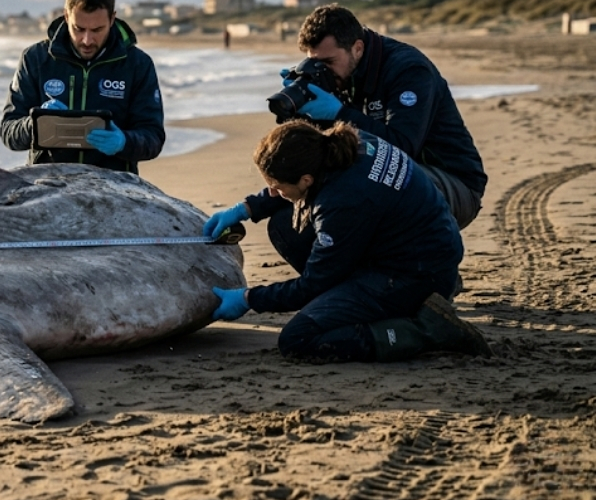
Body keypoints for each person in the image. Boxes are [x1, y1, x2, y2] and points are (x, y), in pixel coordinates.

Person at [202, 120, 492, 362]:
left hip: (416, 275)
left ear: (305, 180)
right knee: (283, 224)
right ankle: (352, 301)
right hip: (417, 248)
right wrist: (247, 208)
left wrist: (248, 299)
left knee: (299, 339)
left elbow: (313, 284)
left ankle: (426, 328)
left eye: (277, 188)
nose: (274, 192)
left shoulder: (342, 203)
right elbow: (290, 183)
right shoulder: (349, 143)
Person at [281, 4, 485, 230]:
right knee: (289, 219)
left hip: (452, 184)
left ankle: (412, 260)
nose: (324, 70)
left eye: (328, 62)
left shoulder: (408, 70)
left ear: (357, 48)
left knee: (362, 185)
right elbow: (328, 151)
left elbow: (402, 147)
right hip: (391, 177)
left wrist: (339, 114)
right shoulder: (341, 76)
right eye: (316, 63)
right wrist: (303, 117)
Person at [0, 0, 165, 175]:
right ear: (67, 16)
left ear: (112, 19)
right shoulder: (35, 58)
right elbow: (8, 132)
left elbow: (153, 138)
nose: (87, 40)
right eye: (79, 29)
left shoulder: (138, 64)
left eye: (97, 30)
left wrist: (124, 142)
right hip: (48, 183)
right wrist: (36, 124)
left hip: (114, 184)